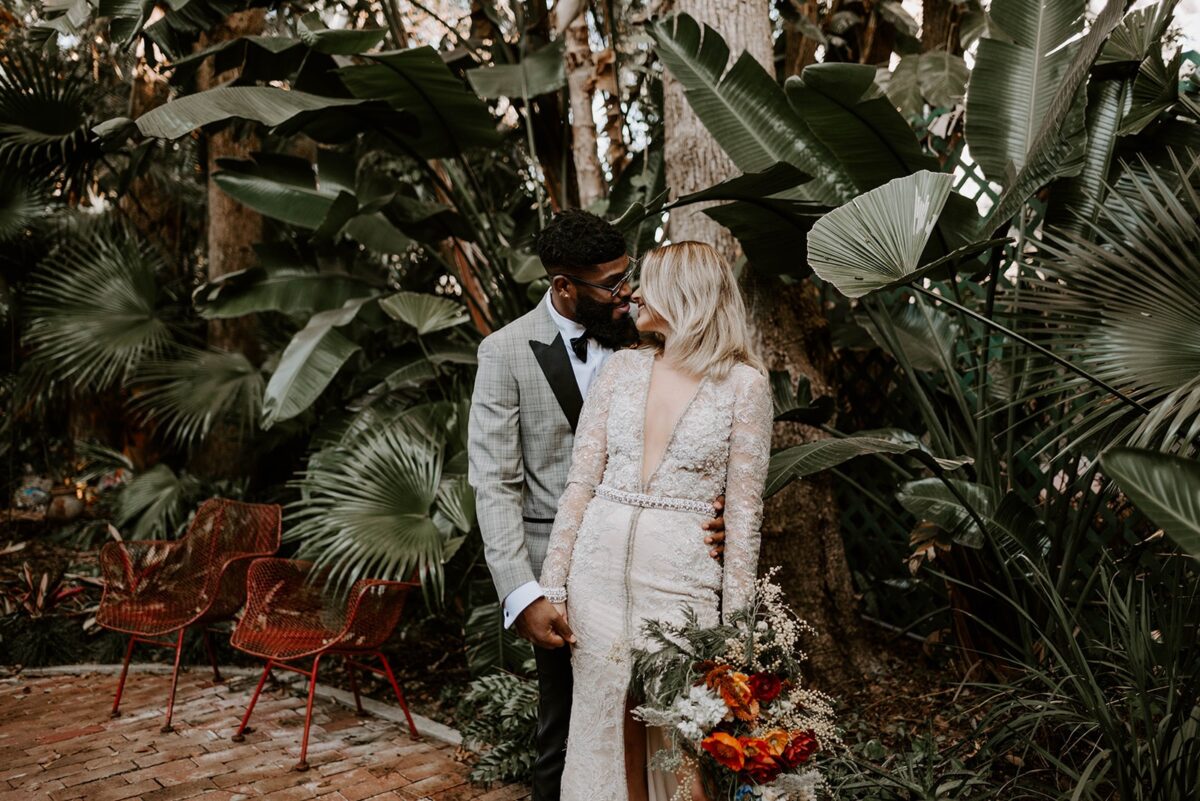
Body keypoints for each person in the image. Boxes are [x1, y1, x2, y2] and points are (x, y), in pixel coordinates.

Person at [467, 211, 728, 801]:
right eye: (610, 284)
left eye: (627, 276)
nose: (627, 293)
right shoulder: (504, 352)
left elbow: (702, 439)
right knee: (565, 731)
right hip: (560, 581)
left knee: (671, 727)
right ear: (563, 287)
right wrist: (524, 592)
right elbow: (494, 482)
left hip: (659, 573)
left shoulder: (654, 337)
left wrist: (713, 517)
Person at [538, 240, 773, 801]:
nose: (637, 293)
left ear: (687, 295)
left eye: (652, 282)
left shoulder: (745, 386)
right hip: (594, 580)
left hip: (681, 584)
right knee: (601, 726)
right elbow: (580, 483)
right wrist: (554, 583)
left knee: (679, 738)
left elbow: (744, 517)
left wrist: (734, 636)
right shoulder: (622, 369)